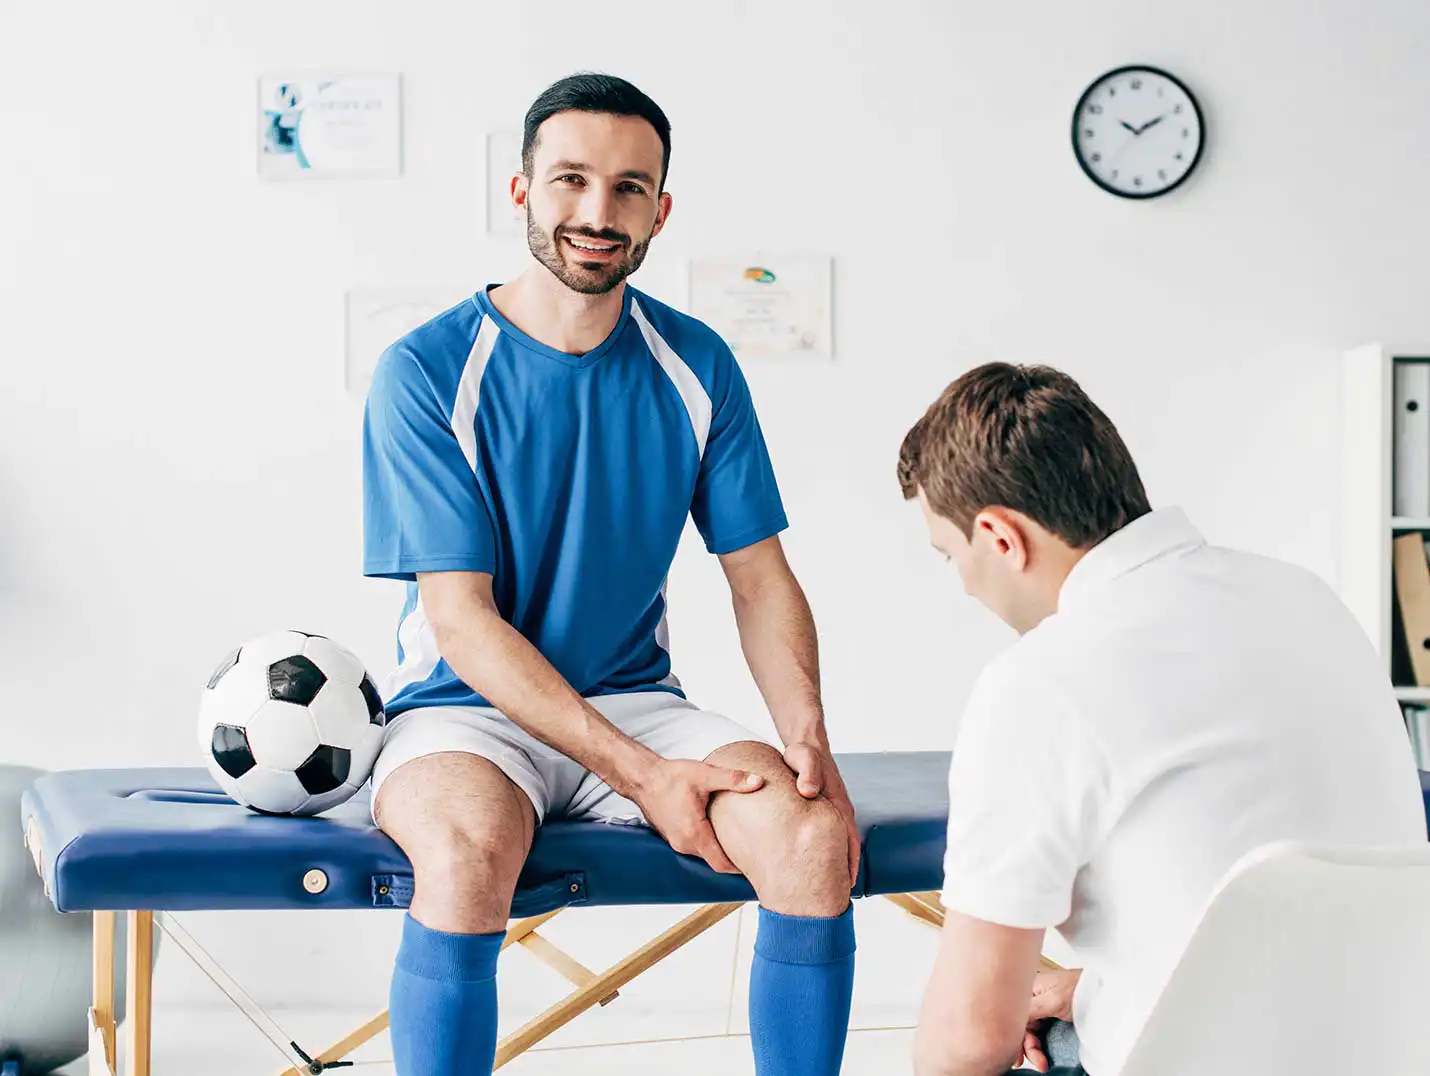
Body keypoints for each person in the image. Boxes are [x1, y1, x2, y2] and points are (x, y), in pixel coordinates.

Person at [361, 73, 860, 1076]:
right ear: (520, 193)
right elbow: (462, 620)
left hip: (635, 701)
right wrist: (643, 778)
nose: (597, 213)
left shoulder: (696, 363)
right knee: (461, 862)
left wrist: (807, 741)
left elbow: (758, 579)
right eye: (571, 181)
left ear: (660, 211)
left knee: (811, 841)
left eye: (629, 188)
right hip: (465, 709)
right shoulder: (422, 370)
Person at [899, 363, 1425, 1076]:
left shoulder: (1040, 684)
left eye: (948, 554)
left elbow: (967, 1043)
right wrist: (1098, 993)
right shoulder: (1307, 600)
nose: (960, 581)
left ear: (999, 537)